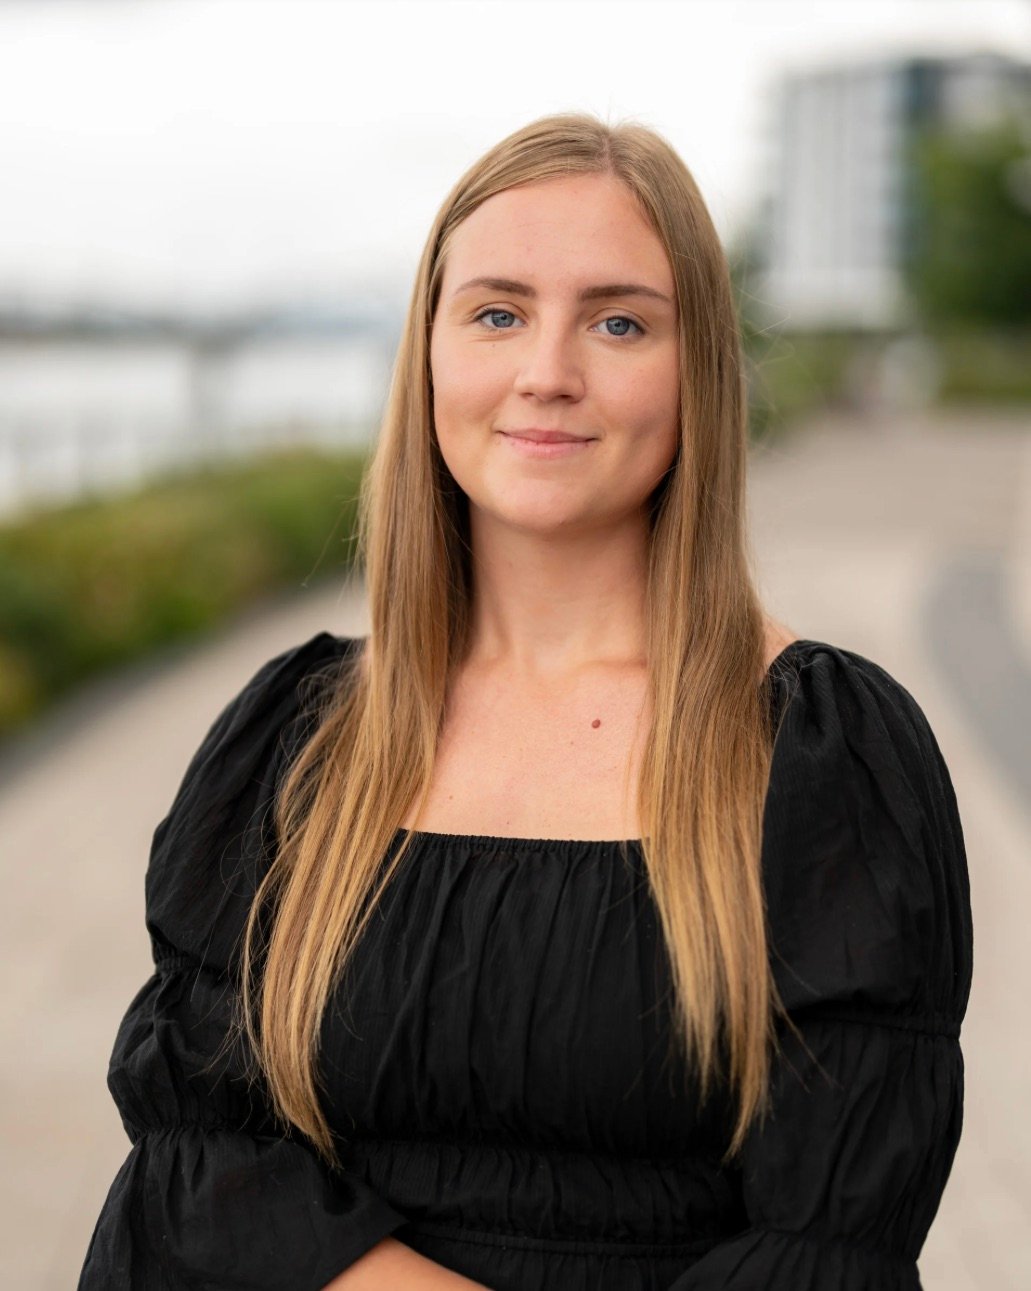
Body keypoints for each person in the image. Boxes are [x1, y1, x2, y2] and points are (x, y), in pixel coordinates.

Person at [78, 113, 972, 1291]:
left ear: (695, 365)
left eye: (616, 321)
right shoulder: (296, 740)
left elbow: (827, 1245)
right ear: (431, 352)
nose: (547, 371)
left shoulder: (822, 755)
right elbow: (196, 1166)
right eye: (497, 312)